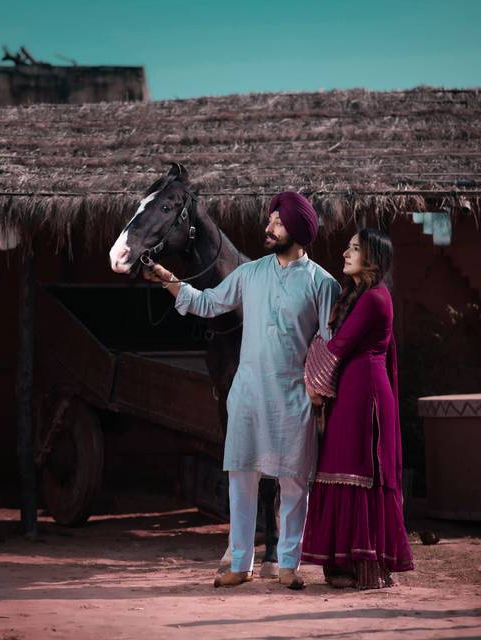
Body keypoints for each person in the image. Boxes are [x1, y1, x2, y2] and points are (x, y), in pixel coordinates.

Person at [145, 192, 339, 589]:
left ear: (299, 230)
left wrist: (319, 393)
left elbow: (330, 343)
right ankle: (240, 562)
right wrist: (168, 280)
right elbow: (207, 302)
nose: (268, 228)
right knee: (241, 478)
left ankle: (288, 563)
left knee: (293, 482)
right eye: (270, 221)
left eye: (277, 222)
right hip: (248, 393)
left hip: (292, 397)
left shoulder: (323, 283)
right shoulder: (250, 274)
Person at [301, 228, 414, 589]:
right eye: (347, 247)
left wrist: (309, 380)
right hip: (352, 389)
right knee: (340, 467)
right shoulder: (363, 295)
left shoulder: (375, 299)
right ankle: (344, 563)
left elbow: (339, 345)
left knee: (357, 469)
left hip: (364, 394)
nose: (345, 253)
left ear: (372, 258)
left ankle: (362, 564)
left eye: (354, 249)